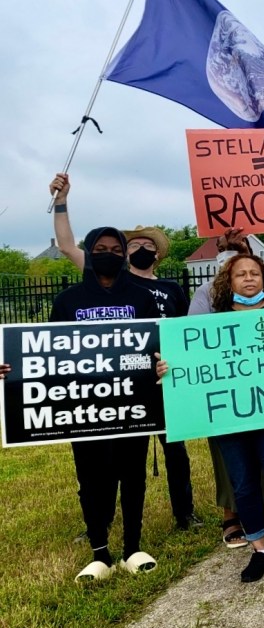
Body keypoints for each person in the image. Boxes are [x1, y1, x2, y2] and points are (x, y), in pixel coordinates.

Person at [158, 254, 264, 592]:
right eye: (241, 274)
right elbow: (188, 367)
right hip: (230, 418)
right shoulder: (212, 324)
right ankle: (260, 550)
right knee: (243, 486)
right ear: (229, 281)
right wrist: (169, 369)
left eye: (256, 273)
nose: (249, 278)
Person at [49, 172, 200, 530]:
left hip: (163, 377)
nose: (140, 251)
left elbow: (191, 331)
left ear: (158, 255)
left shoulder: (169, 289)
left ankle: (185, 512)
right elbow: (69, 245)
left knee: (174, 448)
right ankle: (97, 523)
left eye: (148, 246)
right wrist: (61, 201)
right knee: (103, 454)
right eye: (133, 247)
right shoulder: (113, 279)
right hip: (113, 380)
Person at [50, 226, 161, 581]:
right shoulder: (67, 300)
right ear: (89, 251)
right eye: (101, 248)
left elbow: (155, 345)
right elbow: (48, 351)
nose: (109, 254)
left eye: (117, 249)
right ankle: (99, 551)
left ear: (125, 254)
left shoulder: (142, 297)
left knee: (133, 475)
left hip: (132, 404)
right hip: (84, 407)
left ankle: (132, 547)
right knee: (91, 477)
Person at [188, 228, 264, 548]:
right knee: (230, 458)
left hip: (262, 386)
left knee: (263, 453)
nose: (231, 250)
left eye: (238, 247)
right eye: (224, 246)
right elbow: (194, 336)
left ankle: (257, 515)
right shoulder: (205, 292)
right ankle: (232, 517)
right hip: (225, 387)